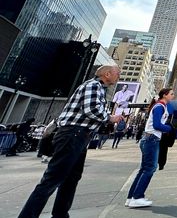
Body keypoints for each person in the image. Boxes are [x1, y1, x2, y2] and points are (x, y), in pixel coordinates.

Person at [19, 65, 123, 218]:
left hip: (80, 136)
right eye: (117, 74)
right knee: (52, 179)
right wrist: (110, 118)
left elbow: (95, 109)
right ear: (107, 74)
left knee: (71, 178)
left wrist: (108, 116)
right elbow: (91, 110)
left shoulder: (100, 89)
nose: (118, 76)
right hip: (73, 134)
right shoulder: (93, 85)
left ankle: (60, 214)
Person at [126, 87, 175, 208]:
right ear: (164, 95)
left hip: (149, 139)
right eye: (171, 94)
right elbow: (157, 125)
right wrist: (169, 129)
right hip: (151, 139)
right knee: (150, 168)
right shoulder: (159, 107)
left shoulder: (160, 106)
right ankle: (137, 197)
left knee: (144, 169)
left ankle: (131, 197)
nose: (173, 96)